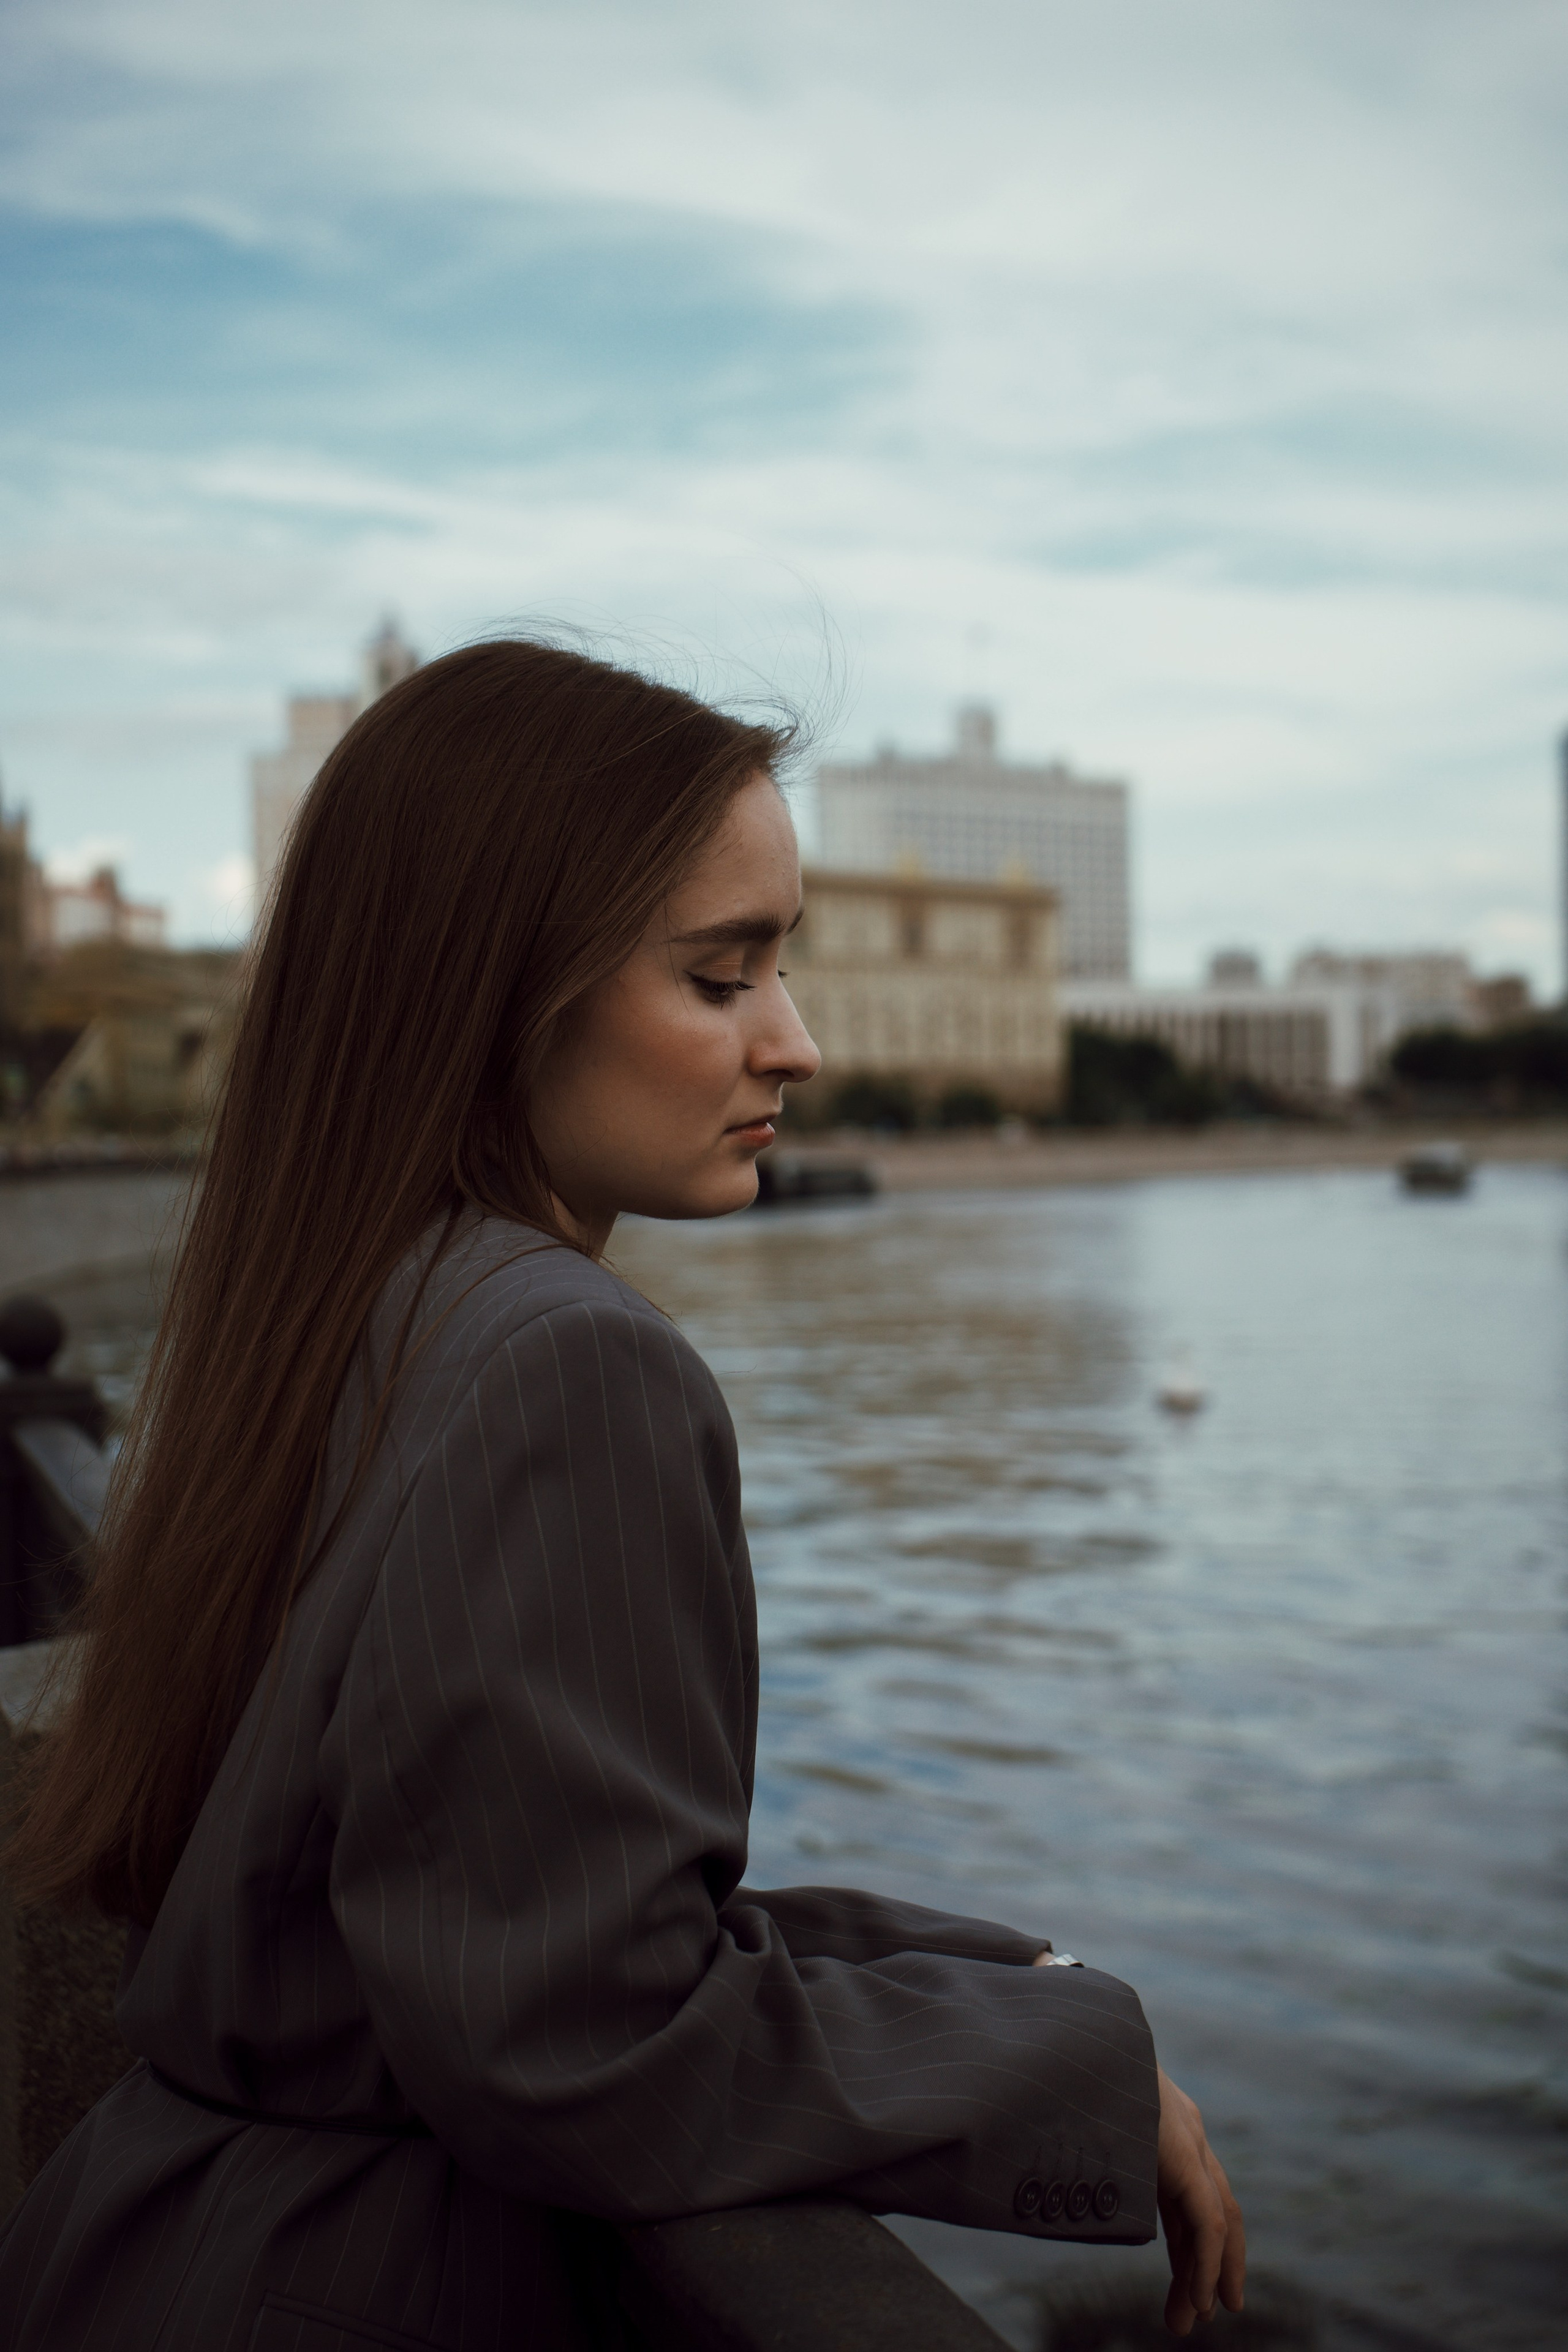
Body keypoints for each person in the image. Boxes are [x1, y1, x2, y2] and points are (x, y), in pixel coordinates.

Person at [1, 642, 1244, 2350]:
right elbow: (576, 2035)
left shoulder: (338, 1310)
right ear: (498, 989)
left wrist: (1003, 1984)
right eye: (723, 976)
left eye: (781, 967)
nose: (796, 1046)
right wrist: (1070, 2066)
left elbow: (482, 1894)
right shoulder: (569, 1367)